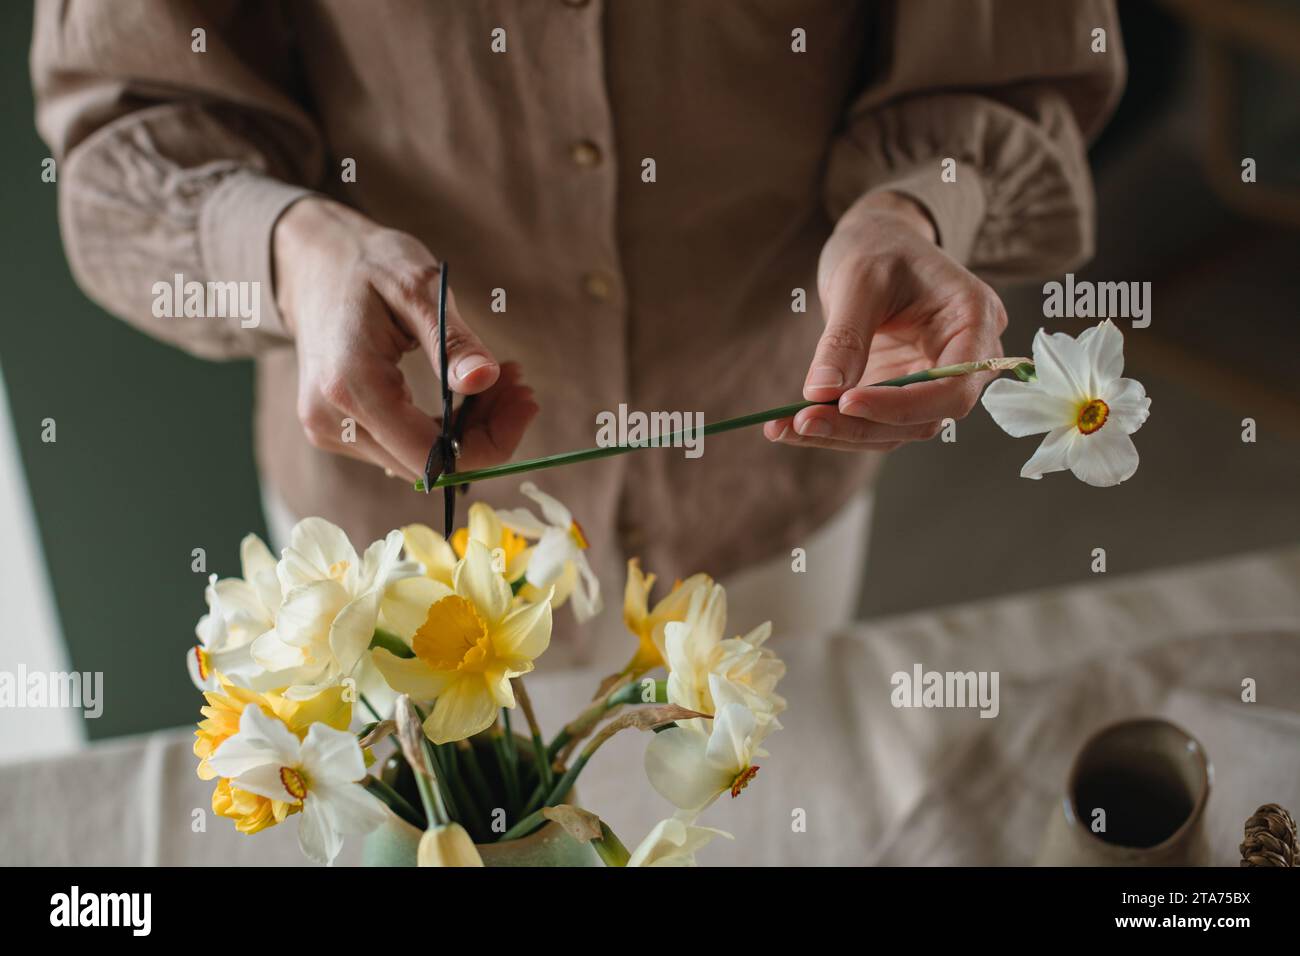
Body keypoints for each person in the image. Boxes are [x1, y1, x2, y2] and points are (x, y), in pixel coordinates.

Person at [32, 1, 1123, 662]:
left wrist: (912, 207)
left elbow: (1004, 60)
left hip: (762, 480)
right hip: (398, 531)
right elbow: (132, 125)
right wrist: (297, 247)